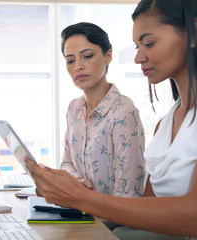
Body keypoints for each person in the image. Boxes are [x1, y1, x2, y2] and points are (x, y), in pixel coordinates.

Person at [24, 0, 197, 239]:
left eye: (149, 43)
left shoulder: (124, 111)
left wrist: (81, 197)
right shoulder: (164, 124)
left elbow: (191, 215)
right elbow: (145, 210)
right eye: (137, 46)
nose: (138, 58)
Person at [59, 22, 145, 198]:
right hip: (80, 212)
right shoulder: (73, 109)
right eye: (70, 60)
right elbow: (66, 163)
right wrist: (76, 183)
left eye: (87, 56)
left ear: (108, 56)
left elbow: (129, 196)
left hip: (110, 223)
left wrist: (84, 196)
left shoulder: (124, 113)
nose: (78, 67)